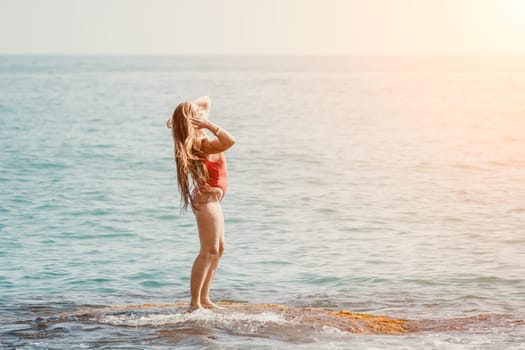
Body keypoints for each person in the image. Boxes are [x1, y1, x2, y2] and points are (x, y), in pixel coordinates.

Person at [167, 96, 235, 312]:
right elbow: (230, 141)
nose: (202, 113)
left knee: (219, 248)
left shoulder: (199, 133)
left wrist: (179, 115)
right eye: (196, 114)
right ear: (192, 121)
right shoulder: (200, 142)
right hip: (207, 201)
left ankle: (205, 298)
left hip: (212, 200)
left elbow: (206, 99)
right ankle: (194, 303)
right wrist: (208, 124)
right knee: (208, 250)